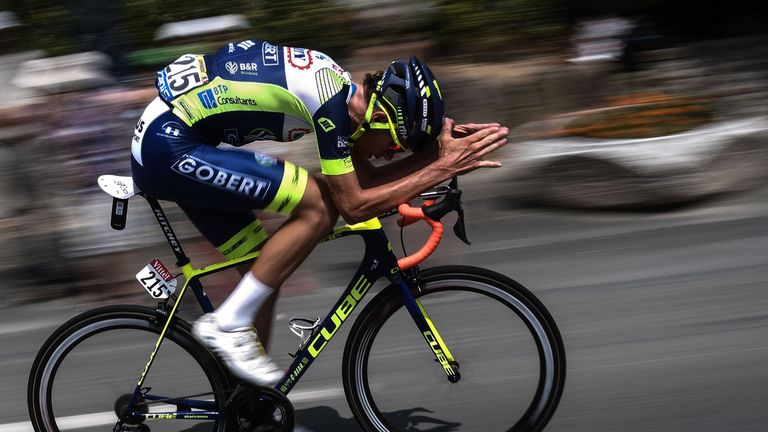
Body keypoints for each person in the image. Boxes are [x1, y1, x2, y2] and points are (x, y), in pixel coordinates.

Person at [130, 38, 508, 386]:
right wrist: (440, 168)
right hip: (169, 146)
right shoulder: (329, 102)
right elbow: (353, 205)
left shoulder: (343, 97)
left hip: (173, 142)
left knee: (262, 268)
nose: (391, 154)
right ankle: (227, 324)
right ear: (380, 118)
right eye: (396, 145)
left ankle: (249, 410)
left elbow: (367, 183)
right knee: (319, 204)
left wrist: (437, 157)